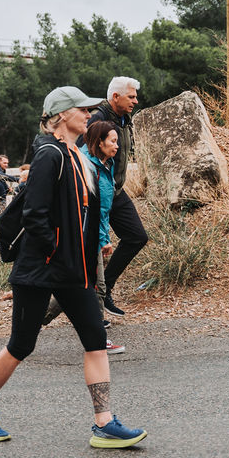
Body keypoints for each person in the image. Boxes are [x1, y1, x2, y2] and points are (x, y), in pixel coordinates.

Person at [0, 86, 146, 448]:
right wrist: (58, 251)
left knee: (94, 338)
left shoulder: (76, 154)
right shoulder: (49, 154)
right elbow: (35, 214)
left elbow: (83, 211)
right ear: (62, 115)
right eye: (83, 109)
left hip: (73, 268)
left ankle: (104, 422)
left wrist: (94, 245)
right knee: (21, 344)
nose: (90, 114)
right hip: (41, 268)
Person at [43, 121, 126, 355]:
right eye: (112, 141)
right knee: (98, 286)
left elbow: (104, 209)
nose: (117, 146)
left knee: (79, 284)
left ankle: (37, 318)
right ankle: (99, 339)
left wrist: (104, 235)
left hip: (94, 235)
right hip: (85, 237)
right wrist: (102, 239)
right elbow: (92, 209)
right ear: (99, 142)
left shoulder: (103, 164)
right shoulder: (87, 166)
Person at [86, 76, 148, 318]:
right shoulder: (98, 119)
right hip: (97, 192)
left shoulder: (124, 119)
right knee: (93, 250)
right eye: (131, 96)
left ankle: (105, 289)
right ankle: (91, 307)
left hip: (117, 191)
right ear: (115, 97)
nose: (135, 100)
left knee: (137, 237)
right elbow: (84, 154)